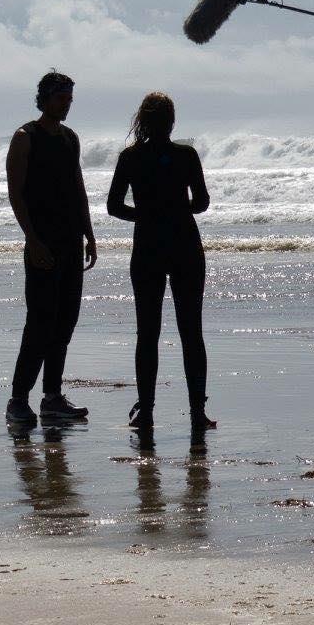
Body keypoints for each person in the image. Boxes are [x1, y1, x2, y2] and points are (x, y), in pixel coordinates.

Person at [106, 91, 215, 433]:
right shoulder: (186, 155)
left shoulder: (130, 157)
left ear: (143, 120)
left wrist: (145, 215)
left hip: (148, 246)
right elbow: (202, 202)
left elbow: (113, 206)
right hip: (184, 243)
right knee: (191, 332)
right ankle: (197, 412)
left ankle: (148, 412)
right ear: (171, 122)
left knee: (147, 332)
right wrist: (178, 210)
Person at [4, 70, 98, 426]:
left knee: (65, 320)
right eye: (61, 98)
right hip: (41, 242)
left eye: (70, 99)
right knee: (40, 322)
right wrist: (31, 238)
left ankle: (52, 397)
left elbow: (78, 187)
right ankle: (18, 399)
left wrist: (89, 233)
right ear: (44, 98)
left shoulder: (70, 138)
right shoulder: (25, 137)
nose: (67, 104)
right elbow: (16, 194)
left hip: (70, 240)